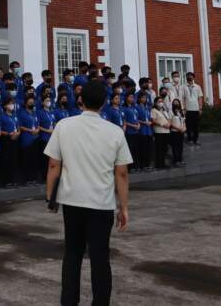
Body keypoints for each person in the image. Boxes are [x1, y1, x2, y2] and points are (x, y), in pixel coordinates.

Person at [45, 80, 131, 306]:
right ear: (104, 102)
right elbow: (121, 173)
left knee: (72, 254)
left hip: (72, 201)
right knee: (100, 257)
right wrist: (124, 207)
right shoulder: (114, 131)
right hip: (101, 203)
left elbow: (53, 165)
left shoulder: (64, 126)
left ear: (80, 100)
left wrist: (50, 197)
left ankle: (69, 302)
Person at [182, 72, 204, 146]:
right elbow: (183, 98)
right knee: (188, 126)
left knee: (196, 126)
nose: (189, 77)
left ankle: (196, 139)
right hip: (188, 109)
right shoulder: (184, 87)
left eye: (190, 76)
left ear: (193, 77)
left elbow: (200, 98)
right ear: (186, 78)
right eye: (188, 76)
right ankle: (190, 140)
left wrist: (200, 108)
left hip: (196, 109)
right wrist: (184, 108)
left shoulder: (197, 87)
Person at [151, 97, 171, 170]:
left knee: (165, 148)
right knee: (159, 148)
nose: (161, 103)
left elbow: (168, 119)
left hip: (166, 131)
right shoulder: (153, 110)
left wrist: (169, 124)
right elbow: (153, 120)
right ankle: (159, 164)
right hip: (159, 132)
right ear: (155, 103)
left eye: (162, 101)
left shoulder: (164, 110)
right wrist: (162, 124)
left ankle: (163, 163)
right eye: (159, 101)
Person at [136, 92, 153, 172]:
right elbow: (136, 119)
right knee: (143, 148)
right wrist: (143, 122)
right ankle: (142, 165)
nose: (144, 99)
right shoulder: (137, 107)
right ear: (139, 98)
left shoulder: (147, 107)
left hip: (148, 130)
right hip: (142, 130)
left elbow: (150, 118)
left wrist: (150, 122)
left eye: (145, 98)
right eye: (143, 97)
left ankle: (148, 164)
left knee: (149, 148)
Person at [169, 99, 186, 166]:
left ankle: (180, 159)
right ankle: (176, 161)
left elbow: (184, 121)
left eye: (177, 102)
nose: (176, 104)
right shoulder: (171, 112)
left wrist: (184, 128)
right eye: (175, 103)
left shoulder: (181, 112)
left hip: (181, 132)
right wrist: (178, 128)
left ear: (179, 104)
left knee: (180, 146)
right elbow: (170, 123)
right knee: (175, 147)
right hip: (175, 132)